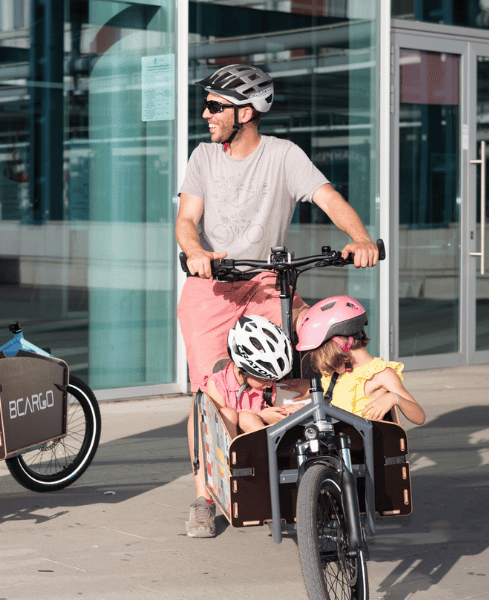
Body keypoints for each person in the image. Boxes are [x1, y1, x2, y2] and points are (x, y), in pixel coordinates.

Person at [177, 63, 380, 537]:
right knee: (209, 394)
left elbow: (328, 198)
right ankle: (206, 495)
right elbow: (187, 220)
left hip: (268, 281)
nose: (206, 114)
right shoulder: (204, 158)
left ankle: (314, 466)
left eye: (215, 106)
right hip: (212, 284)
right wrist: (196, 252)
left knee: (312, 347)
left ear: (244, 112)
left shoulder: (284, 155)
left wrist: (361, 238)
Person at [187, 315, 307, 538]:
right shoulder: (218, 384)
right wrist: (262, 415)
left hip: (262, 451)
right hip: (227, 455)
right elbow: (214, 430)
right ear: (243, 368)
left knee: (248, 417)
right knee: (217, 413)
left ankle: (281, 488)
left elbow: (305, 391)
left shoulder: (268, 384)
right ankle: (204, 501)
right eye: (265, 378)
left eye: (274, 377)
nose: (270, 383)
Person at [296, 296, 426, 425]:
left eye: (322, 353)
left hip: (364, 443)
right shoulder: (336, 374)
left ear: (338, 345)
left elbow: (419, 417)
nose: (323, 362)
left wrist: (395, 398)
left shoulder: (381, 374)